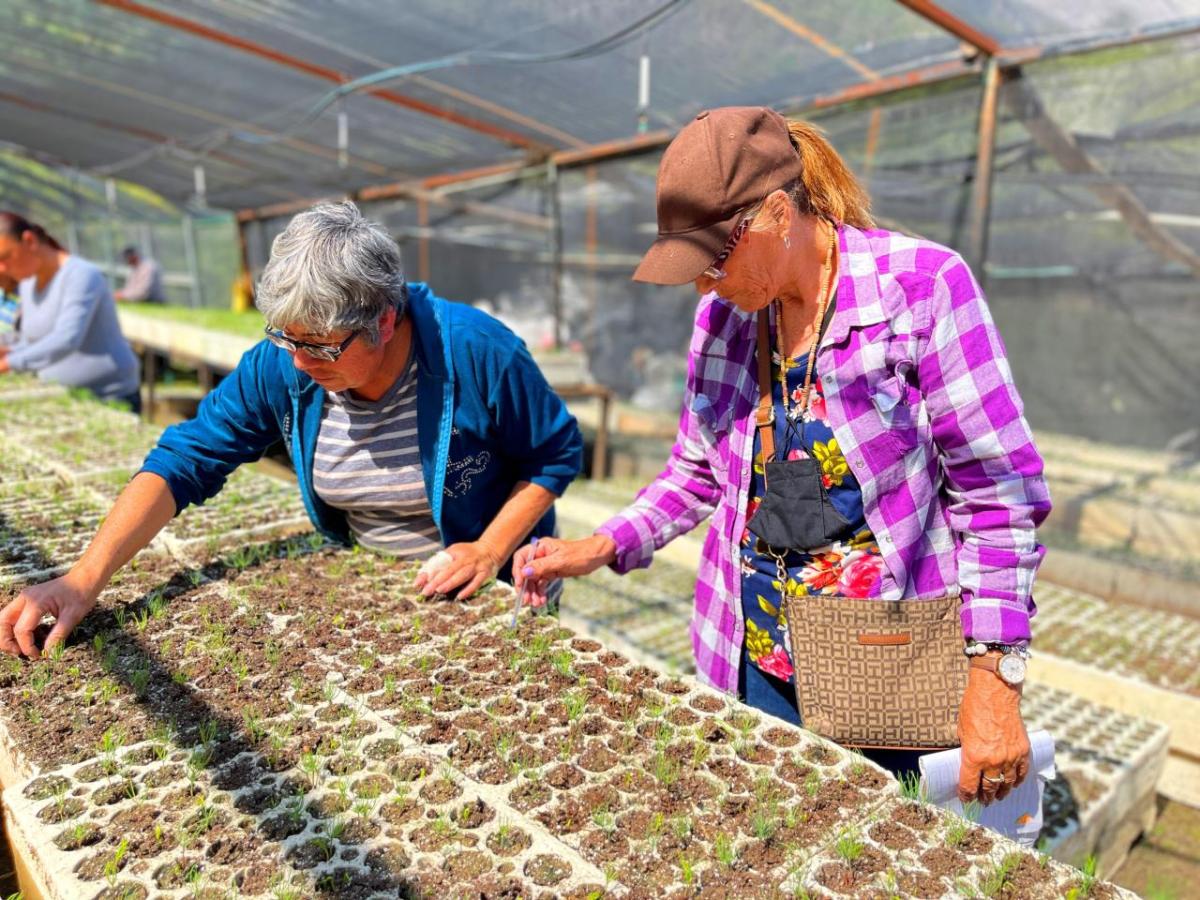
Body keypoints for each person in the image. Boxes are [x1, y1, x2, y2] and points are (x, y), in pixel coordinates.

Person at [516, 107, 1051, 807]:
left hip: (884, 666)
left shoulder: (918, 290)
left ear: (775, 213)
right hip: (752, 654)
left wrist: (994, 681)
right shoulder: (726, 320)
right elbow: (697, 469)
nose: (705, 286)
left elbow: (998, 493)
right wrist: (602, 544)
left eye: (713, 261)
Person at [1, 202, 582, 656]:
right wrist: (83, 579)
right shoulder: (283, 362)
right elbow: (185, 459)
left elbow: (554, 455)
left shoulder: (477, 353)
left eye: (320, 346)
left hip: (490, 590)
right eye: (285, 338)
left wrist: (488, 549)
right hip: (377, 585)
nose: (299, 362)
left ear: (383, 318)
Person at [0, 213, 141, 409]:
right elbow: (35, 340)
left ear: (29, 241)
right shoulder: (28, 283)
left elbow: (67, 338)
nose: (2, 268)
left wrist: (9, 363)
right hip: (63, 395)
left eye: (5, 257)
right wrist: (11, 350)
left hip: (108, 397)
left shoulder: (81, 275)